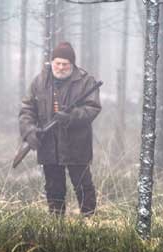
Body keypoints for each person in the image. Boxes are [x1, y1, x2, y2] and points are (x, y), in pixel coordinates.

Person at [19, 42, 101, 216]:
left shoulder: (86, 81)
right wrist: (29, 131)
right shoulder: (39, 81)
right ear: (52, 62)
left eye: (66, 64)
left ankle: (90, 221)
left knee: (83, 185)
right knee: (53, 187)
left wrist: (71, 118)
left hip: (76, 144)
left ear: (72, 64)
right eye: (58, 63)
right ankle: (57, 227)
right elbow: (27, 109)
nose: (61, 67)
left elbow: (93, 108)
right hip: (49, 144)